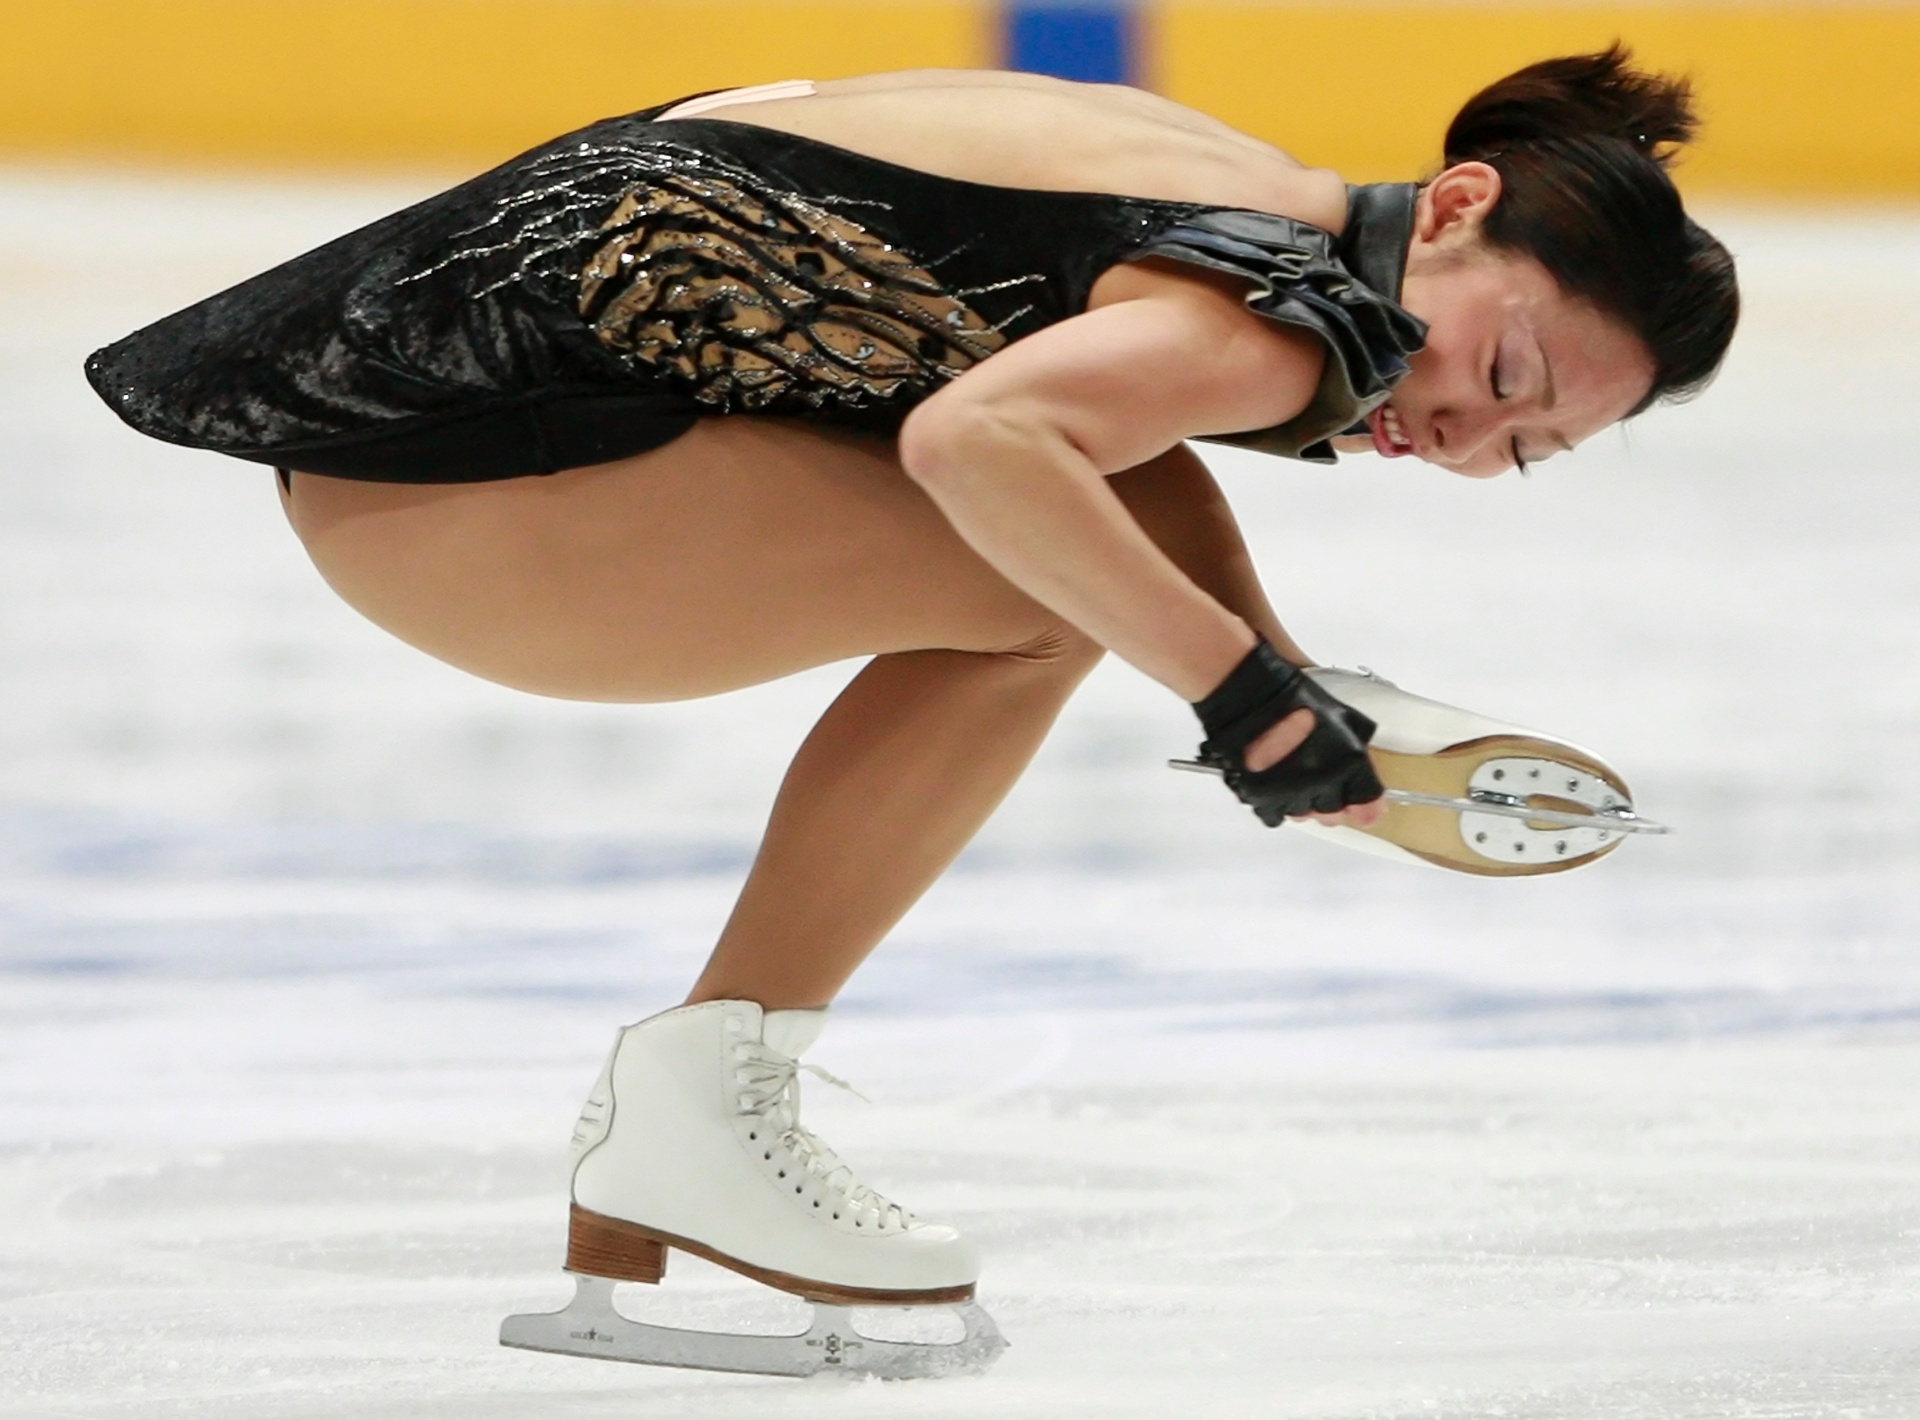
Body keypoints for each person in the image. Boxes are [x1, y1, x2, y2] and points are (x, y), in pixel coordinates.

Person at [85, 49, 1738, 1376]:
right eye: (1501, 378)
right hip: (467, 505)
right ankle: (700, 1102)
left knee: (1072, 536)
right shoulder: (1271, 321)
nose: (1458, 435)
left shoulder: (1236, 195)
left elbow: (1094, 420)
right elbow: (982, 452)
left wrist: (1275, 674)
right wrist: (1241, 695)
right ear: (1458, 208)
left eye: (1518, 451)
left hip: (421, 448)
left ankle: (695, 1102)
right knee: (1041, 602)